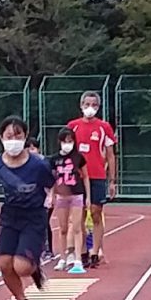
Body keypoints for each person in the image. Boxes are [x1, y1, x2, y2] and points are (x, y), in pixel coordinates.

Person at [0, 117, 54, 300]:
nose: (13, 140)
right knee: (5, 264)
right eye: (9, 136)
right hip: (10, 217)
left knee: (21, 267)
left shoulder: (38, 164)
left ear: (25, 138)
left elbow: (52, 184)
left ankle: (34, 265)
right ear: (1, 138)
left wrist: (51, 198)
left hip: (34, 217)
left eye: (18, 136)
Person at [68, 90, 118, 268]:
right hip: (77, 176)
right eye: (87, 105)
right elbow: (67, 150)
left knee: (96, 212)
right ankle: (81, 251)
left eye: (94, 105)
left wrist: (112, 181)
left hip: (97, 175)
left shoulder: (104, 127)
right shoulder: (73, 126)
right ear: (81, 106)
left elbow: (111, 155)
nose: (90, 108)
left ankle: (95, 251)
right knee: (78, 214)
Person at [49, 127, 89, 273]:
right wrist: (51, 196)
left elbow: (85, 177)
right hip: (61, 196)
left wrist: (88, 196)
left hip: (77, 194)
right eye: (65, 141)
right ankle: (63, 258)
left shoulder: (79, 157)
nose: (68, 144)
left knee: (77, 227)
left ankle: (78, 259)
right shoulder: (54, 159)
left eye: (70, 141)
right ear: (60, 142)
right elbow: (52, 179)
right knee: (63, 228)